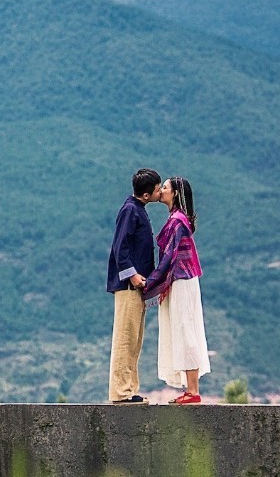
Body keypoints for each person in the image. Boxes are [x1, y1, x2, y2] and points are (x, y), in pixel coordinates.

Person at [143, 176, 210, 404]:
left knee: (185, 329)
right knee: (184, 328)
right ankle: (191, 389)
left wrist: (149, 283)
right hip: (181, 280)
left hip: (181, 280)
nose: (161, 190)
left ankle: (193, 390)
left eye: (165, 187)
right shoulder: (178, 219)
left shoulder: (177, 222)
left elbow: (170, 257)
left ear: (175, 194)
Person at [107, 167, 162, 404]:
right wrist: (133, 276)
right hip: (129, 286)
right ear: (148, 194)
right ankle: (121, 392)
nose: (161, 192)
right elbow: (121, 248)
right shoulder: (130, 211)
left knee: (135, 340)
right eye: (158, 188)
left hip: (137, 287)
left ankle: (129, 389)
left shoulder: (138, 209)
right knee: (125, 339)